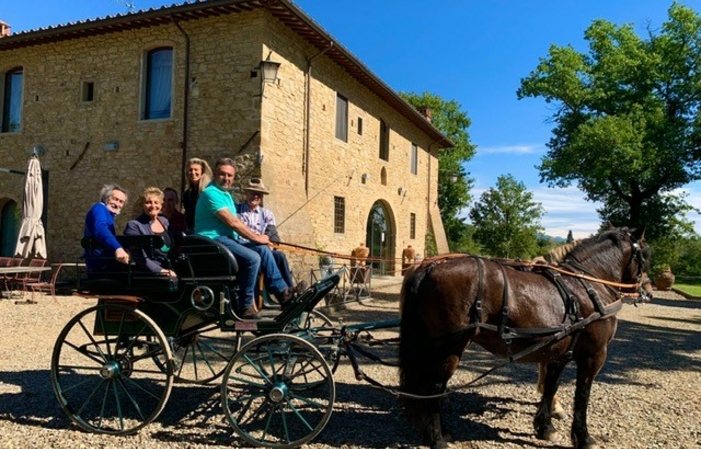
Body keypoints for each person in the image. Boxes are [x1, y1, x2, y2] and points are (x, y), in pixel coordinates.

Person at [194, 157, 303, 319]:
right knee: (252, 258)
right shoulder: (211, 194)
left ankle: (283, 293)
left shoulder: (226, 195)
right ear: (215, 174)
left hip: (228, 239)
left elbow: (239, 226)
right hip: (213, 241)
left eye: (230, 176)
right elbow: (233, 222)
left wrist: (260, 240)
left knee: (263, 250)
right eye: (223, 174)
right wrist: (257, 238)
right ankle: (245, 306)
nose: (226, 178)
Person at [236, 178, 295, 287]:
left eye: (259, 194)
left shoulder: (267, 214)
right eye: (253, 193)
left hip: (263, 250)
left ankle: (290, 290)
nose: (256, 196)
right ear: (246, 193)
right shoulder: (236, 210)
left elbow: (272, 234)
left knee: (279, 256)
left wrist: (269, 242)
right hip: (242, 249)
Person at [123, 187, 177, 278]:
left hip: (170, 267)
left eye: (156, 202)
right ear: (143, 205)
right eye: (148, 202)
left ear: (161, 205)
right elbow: (139, 257)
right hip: (149, 273)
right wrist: (161, 271)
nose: (152, 206)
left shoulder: (165, 221)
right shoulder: (134, 226)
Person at [83, 184, 130, 274]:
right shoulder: (99, 208)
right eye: (115, 199)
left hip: (106, 264)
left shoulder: (108, 215)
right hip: (100, 266)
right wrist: (118, 248)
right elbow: (100, 229)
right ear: (106, 198)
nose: (117, 204)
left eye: (121, 202)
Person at [182, 157, 213, 234]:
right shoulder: (187, 194)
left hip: (207, 231)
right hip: (192, 230)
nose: (193, 172)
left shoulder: (209, 190)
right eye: (190, 170)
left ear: (202, 171)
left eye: (196, 170)